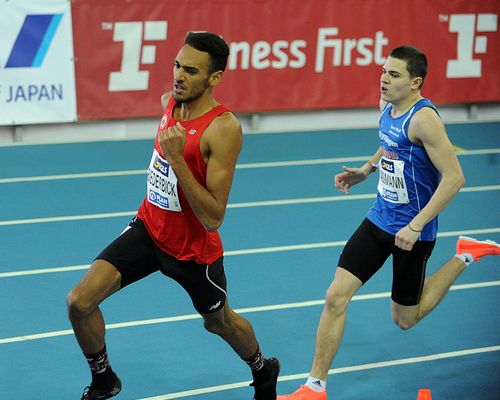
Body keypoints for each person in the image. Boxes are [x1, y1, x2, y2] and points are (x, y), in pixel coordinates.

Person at [277, 45, 500, 400]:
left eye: (394, 75)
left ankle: (465, 255)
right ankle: (314, 387)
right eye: (383, 71)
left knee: (405, 320)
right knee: (336, 296)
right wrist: (367, 169)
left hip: (414, 232)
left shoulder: (424, 120)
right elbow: (389, 143)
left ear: (416, 82)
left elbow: (455, 178)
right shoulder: (387, 106)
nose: (383, 78)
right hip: (379, 218)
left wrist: (416, 225)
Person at [67, 31, 280, 400]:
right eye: (177, 65)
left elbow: (214, 217)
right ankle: (104, 379)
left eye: (191, 70)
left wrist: (179, 159)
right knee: (79, 302)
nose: (179, 76)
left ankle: (263, 368)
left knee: (219, 322)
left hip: (193, 251)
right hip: (149, 228)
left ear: (214, 78)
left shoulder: (223, 129)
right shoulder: (170, 102)